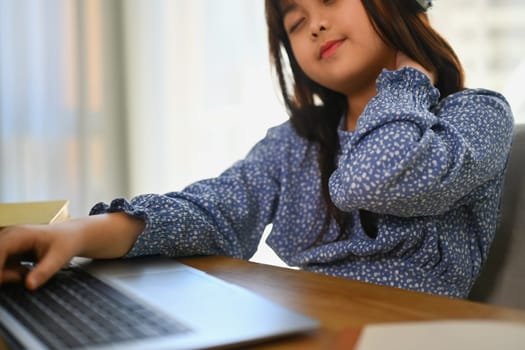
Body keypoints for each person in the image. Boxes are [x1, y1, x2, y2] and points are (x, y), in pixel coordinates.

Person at [0, 0, 514, 298]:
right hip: (318, 324)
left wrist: (405, 83)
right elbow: (214, 211)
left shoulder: (476, 115)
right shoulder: (294, 144)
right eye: (295, 22)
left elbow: (372, 180)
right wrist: (75, 233)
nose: (314, 24)